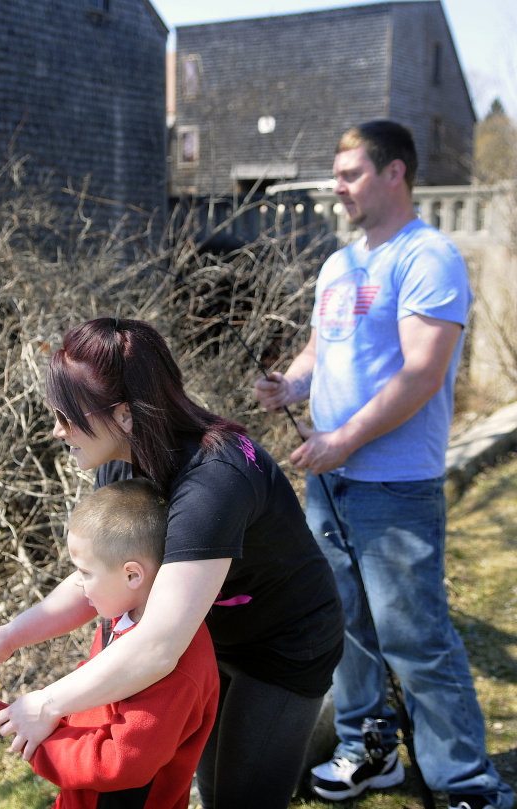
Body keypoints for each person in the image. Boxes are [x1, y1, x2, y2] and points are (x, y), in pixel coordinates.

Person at [0, 317, 345, 809]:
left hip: (285, 644)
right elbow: (100, 576)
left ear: (125, 414)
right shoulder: (120, 457)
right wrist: (11, 634)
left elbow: (158, 645)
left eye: (68, 415)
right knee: (213, 788)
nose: (56, 429)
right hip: (205, 638)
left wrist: (47, 704)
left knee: (243, 801)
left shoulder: (213, 482)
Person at [255, 120, 513, 809]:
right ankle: (371, 752)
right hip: (330, 479)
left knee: (416, 637)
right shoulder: (340, 265)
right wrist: (292, 385)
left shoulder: (428, 257)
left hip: (395, 485)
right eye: (337, 174)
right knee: (344, 627)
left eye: (350, 174)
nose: (337, 187)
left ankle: (467, 783)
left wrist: (345, 439)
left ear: (395, 172)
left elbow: (424, 372)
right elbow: (323, 351)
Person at [29, 478, 218, 809]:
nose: (80, 586)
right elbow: (92, 704)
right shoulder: (120, 617)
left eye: (85, 573)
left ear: (132, 575)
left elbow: (122, 764)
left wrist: (41, 743)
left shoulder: (176, 668)